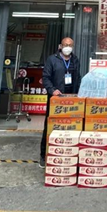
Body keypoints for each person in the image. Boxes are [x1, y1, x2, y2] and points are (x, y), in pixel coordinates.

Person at [39, 37, 81, 168]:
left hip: (71, 98)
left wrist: (78, 93)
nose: (68, 47)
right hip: (56, 98)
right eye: (65, 45)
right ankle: (43, 155)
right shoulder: (52, 59)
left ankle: (66, 154)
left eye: (70, 45)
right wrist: (52, 90)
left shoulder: (75, 59)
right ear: (60, 46)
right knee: (50, 125)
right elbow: (46, 77)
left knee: (69, 125)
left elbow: (78, 77)